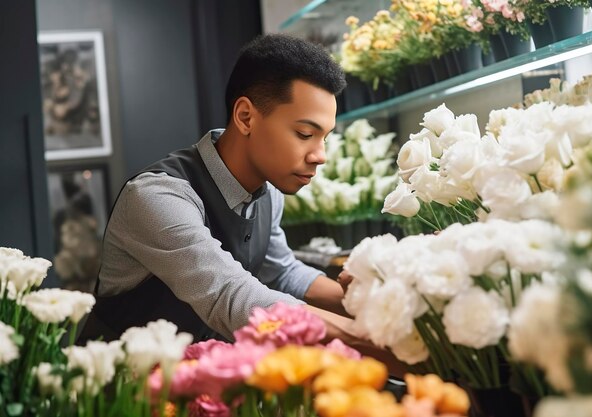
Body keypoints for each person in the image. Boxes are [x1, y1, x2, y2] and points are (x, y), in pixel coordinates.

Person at [78, 34, 404, 373]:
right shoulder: (156, 196)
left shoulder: (269, 192)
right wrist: (371, 342)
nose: (320, 155)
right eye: (305, 134)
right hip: (115, 393)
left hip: (196, 389)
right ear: (246, 117)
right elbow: (230, 296)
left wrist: (368, 304)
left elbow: (282, 272)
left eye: (325, 137)